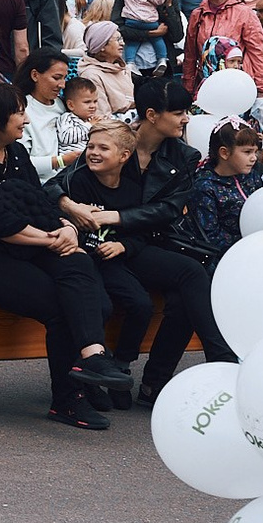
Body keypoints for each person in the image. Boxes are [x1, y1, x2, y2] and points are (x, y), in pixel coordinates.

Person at [0, 80, 132, 428]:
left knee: (79, 261)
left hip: (24, 242)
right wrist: (50, 240)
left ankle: (93, 359)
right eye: (19, 113)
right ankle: (67, 399)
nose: (25, 119)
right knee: (57, 303)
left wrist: (66, 228)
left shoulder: (16, 152)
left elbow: (37, 202)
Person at [52, 113, 223, 407]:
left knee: (148, 300)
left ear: (124, 156)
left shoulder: (133, 188)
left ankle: (122, 366)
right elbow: (47, 198)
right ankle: (92, 377)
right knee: (115, 304)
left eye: (103, 148)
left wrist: (123, 246)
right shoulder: (78, 180)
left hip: (116, 257)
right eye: (91, 147)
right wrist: (68, 209)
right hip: (88, 261)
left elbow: (141, 230)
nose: (93, 153)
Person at [183, 0, 263, 95]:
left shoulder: (244, 14)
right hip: (206, 83)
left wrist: (260, 88)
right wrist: (188, 88)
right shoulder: (198, 14)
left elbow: (257, 51)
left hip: (236, 84)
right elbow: (190, 54)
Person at [190, 120, 263, 259]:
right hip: (231, 256)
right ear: (224, 153)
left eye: (255, 151)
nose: (254, 158)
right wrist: (247, 248)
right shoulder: (205, 187)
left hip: (261, 245)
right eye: (247, 152)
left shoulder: (252, 177)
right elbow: (210, 235)